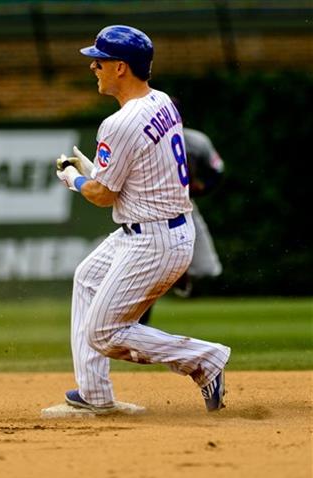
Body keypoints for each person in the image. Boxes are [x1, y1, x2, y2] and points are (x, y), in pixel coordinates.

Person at [55, 25, 231, 413]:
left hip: (152, 240)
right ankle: (95, 396)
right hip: (159, 230)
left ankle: (205, 359)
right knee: (86, 278)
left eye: (99, 61)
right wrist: (93, 170)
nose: (93, 68)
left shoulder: (118, 123)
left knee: (103, 333)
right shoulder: (162, 101)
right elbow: (139, 169)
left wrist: (74, 178)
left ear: (121, 67)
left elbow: (102, 195)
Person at [139, 127, 224, 324]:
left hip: (184, 206)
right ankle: (141, 316)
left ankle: (175, 274)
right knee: (148, 270)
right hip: (151, 210)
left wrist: (202, 188)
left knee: (207, 268)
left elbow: (217, 170)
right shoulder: (144, 141)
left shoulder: (195, 141)